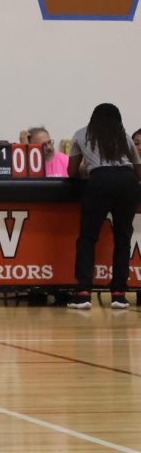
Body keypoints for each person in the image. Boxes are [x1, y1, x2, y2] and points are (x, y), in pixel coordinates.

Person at [66, 103, 141, 310]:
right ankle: (119, 294)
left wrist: (87, 170)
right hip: (127, 182)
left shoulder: (82, 134)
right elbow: (138, 170)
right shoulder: (124, 137)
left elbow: (71, 172)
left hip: (99, 180)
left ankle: (83, 293)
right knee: (123, 237)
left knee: (88, 238)